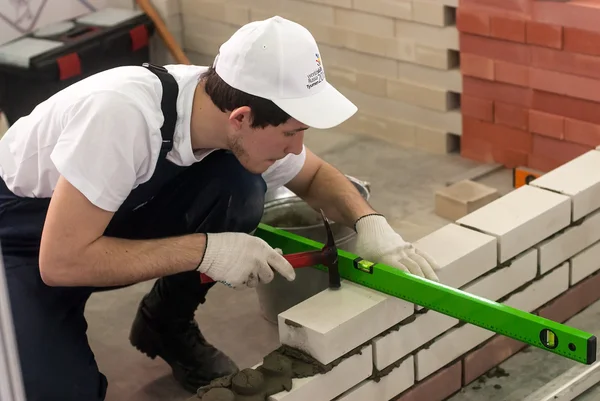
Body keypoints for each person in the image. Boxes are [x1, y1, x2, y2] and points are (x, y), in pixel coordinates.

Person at [0, 15, 440, 401]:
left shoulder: (222, 102)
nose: (298, 147)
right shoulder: (122, 117)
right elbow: (60, 262)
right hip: (21, 245)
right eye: (291, 132)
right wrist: (207, 251)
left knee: (239, 187)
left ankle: (165, 325)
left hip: (100, 224)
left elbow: (314, 176)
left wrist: (370, 222)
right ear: (242, 118)